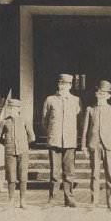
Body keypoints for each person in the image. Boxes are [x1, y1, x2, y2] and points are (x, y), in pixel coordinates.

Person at [81, 80, 111, 210]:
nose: (101, 95)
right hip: (94, 145)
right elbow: (85, 130)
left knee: (110, 174)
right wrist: (83, 146)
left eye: (104, 93)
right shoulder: (90, 109)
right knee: (94, 174)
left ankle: (110, 202)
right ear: (96, 94)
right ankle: (94, 201)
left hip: (108, 146)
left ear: (108, 96)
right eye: (99, 93)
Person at [41, 73, 81, 207]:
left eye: (66, 84)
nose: (64, 86)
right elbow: (44, 121)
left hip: (69, 141)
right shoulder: (50, 100)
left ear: (70, 86)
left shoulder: (76, 101)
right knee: (54, 172)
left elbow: (80, 121)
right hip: (55, 140)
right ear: (58, 85)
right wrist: (52, 133)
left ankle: (69, 198)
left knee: (69, 172)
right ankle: (52, 199)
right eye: (61, 83)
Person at [0, 97, 35, 209]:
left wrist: (24, 144)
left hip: (23, 152)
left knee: (23, 176)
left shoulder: (24, 120)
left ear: (19, 109)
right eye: (10, 108)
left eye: (14, 108)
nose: (12, 110)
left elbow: (32, 137)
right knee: (11, 177)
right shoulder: (4, 122)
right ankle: (11, 200)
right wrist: (8, 144)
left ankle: (23, 200)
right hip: (10, 152)